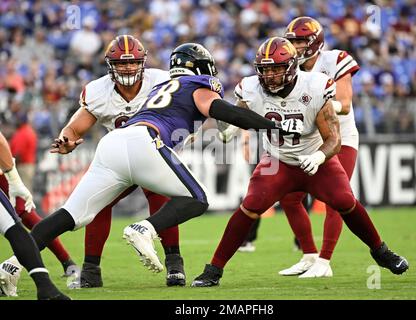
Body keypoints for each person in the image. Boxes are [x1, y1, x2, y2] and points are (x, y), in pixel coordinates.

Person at [7, 43, 302, 287]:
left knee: (70, 215)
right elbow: (220, 109)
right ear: (202, 68)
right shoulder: (197, 82)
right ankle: (144, 229)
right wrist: (271, 127)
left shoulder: (160, 85)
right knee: (196, 199)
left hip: (112, 144)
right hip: (144, 141)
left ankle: (9, 266)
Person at [191, 37, 408, 288]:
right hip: (279, 161)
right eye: (265, 69)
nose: (269, 75)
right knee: (250, 206)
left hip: (316, 160)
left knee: (345, 201)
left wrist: (317, 157)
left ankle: (380, 251)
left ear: (292, 67)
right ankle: (214, 269)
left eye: (276, 68)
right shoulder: (251, 88)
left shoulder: (315, 87)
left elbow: (334, 139)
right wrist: (230, 129)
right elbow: (238, 112)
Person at [47, 35, 186, 288]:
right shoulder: (99, 91)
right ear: (110, 65)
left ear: (143, 62)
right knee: (99, 203)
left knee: (160, 198)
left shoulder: (161, 81)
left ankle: (175, 264)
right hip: (120, 159)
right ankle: (91, 269)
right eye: (121, 64)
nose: (128, 68)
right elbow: (75, 128)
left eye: (133, 62)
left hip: (154, 154)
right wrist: (65, 140)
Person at [277, 16, 361, 277]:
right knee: (289, 198)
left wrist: (318, 105)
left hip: (339, 138)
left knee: (337, 199)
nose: (296, 47)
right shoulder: (290, 67)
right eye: (292, 41)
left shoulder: (334, 60)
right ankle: (309, 255)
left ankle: (325, 262)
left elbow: (344, 104)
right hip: (303, 141)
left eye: (300, 41)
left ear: (315, 42)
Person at [0, 131, 69, 300]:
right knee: (16, 230)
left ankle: (66, 264)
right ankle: (46, 286)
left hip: (18, 166)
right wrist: (14, 180)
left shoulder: (25, 133)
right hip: (11, 168)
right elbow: (1, 143)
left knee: (23, 215)